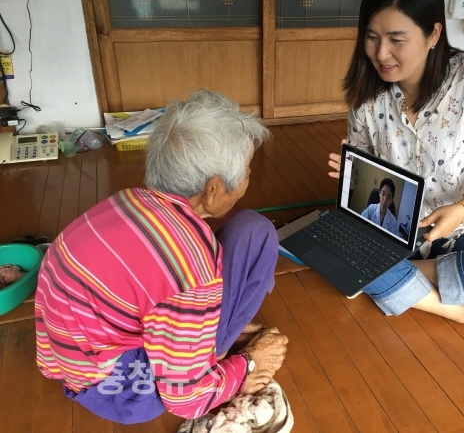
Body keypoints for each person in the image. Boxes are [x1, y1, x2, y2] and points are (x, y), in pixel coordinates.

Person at [35, 90, 289, 424]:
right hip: (123, 392)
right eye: (246, 170)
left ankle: (206, 341)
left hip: (73, 355)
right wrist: (249, 362)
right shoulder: (190, 268)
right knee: (244, 247)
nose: (247, 179)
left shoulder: (126, 200)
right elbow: (186, 402)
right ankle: (214, 361)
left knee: (253, 230)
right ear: (213, 189)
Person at [328, 0, 464, 353]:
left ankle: (384, 276)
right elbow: (365, 158)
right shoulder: (368, 92)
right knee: (330, 242)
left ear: (433, 34)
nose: (381, 53)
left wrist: (461, 209)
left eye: (396, 39)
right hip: (393, 227)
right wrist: (354, 174)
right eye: (372, 37)